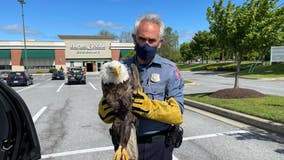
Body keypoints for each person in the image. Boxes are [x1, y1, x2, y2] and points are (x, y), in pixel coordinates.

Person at [98, 13, 184, 160]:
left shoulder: (169, 70)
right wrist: (104, 108)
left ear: (160, 42)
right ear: (134, 38)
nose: (146, 44)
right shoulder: (119, 69)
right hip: (125, 145)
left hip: (158, 146)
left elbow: (178, 114)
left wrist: (150, 107)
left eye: (152, 40)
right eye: (142, 39)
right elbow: (109, 96)